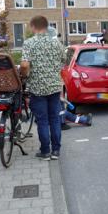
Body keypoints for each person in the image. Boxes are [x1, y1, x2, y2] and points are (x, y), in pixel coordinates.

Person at [20, 16, 64, 161]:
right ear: (46, 26)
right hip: (54, 86)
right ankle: (56, 151)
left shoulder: (29, 43)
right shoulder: (56, 43)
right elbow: (65, 60)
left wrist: (24, 75)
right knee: (55, 119)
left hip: (37, 88)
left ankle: (45, 151)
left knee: (43, 120)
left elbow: (25, 65)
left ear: (33, 26)